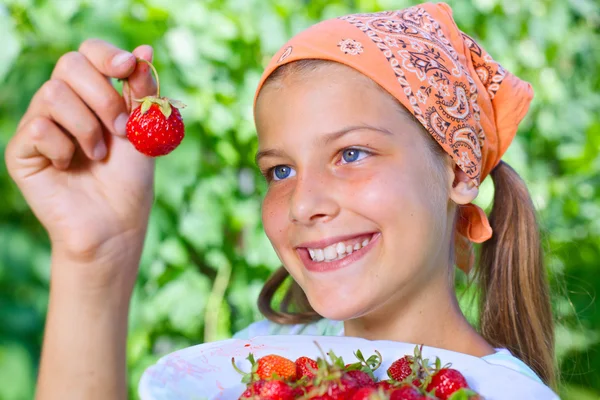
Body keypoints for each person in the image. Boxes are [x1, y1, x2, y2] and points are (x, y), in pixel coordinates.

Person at [5, 2, 556, 399]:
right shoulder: (265, 365)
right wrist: (94, 258)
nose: (302, 204)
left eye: (352, 153)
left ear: (459, 167)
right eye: (281, 170)